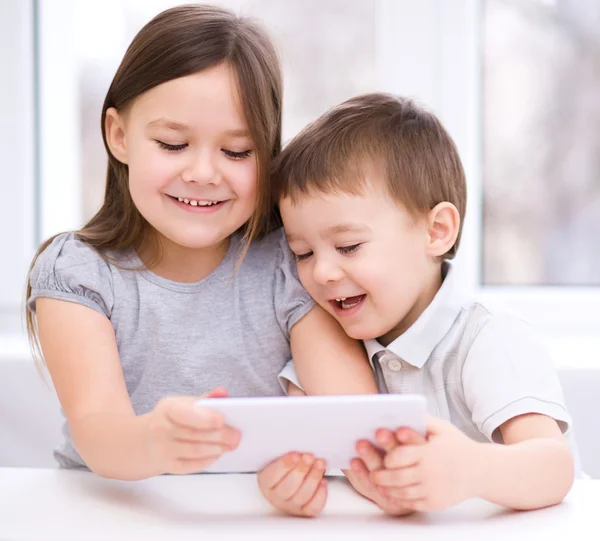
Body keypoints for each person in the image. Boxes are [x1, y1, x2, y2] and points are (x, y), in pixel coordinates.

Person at [25, 5, 376, 508]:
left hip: (249, 514)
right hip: (108, 513)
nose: (204, 173)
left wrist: (304, 465)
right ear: (119, 136)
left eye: (237, 152)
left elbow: (352, 420)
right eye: (173, 144)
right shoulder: (77, 272)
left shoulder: (291, 262)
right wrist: (153, 441)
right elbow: (98, 431)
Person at [267, 92, 578, 515]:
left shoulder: (488, 341)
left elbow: (555, 468)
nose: (321, 273)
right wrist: (287, 482)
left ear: (436, 232)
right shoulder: (331, 347)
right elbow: (300, 452)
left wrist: (473, 470)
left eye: (348, 245)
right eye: (302, 253)